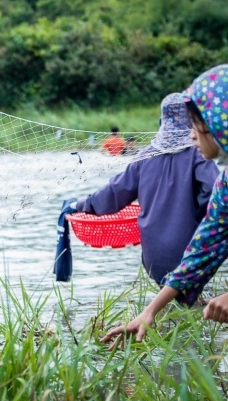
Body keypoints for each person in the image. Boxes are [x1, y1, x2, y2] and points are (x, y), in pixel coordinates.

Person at [102, 64, 228, 346]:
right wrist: (149, 313)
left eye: (196, 125)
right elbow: (201, 252)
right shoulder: (225, 184)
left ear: (220, 124)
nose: (192, 135)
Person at [70, 93, 218, 285]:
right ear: (192, 119)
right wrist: (197, 214)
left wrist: (81, 204)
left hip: (153, 255)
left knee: (174, 305)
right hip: (190, 251)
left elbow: (114, 193)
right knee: (189, 302)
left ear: (163, 119)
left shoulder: (144, 156)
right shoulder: (197, 154)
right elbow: (215, 189)